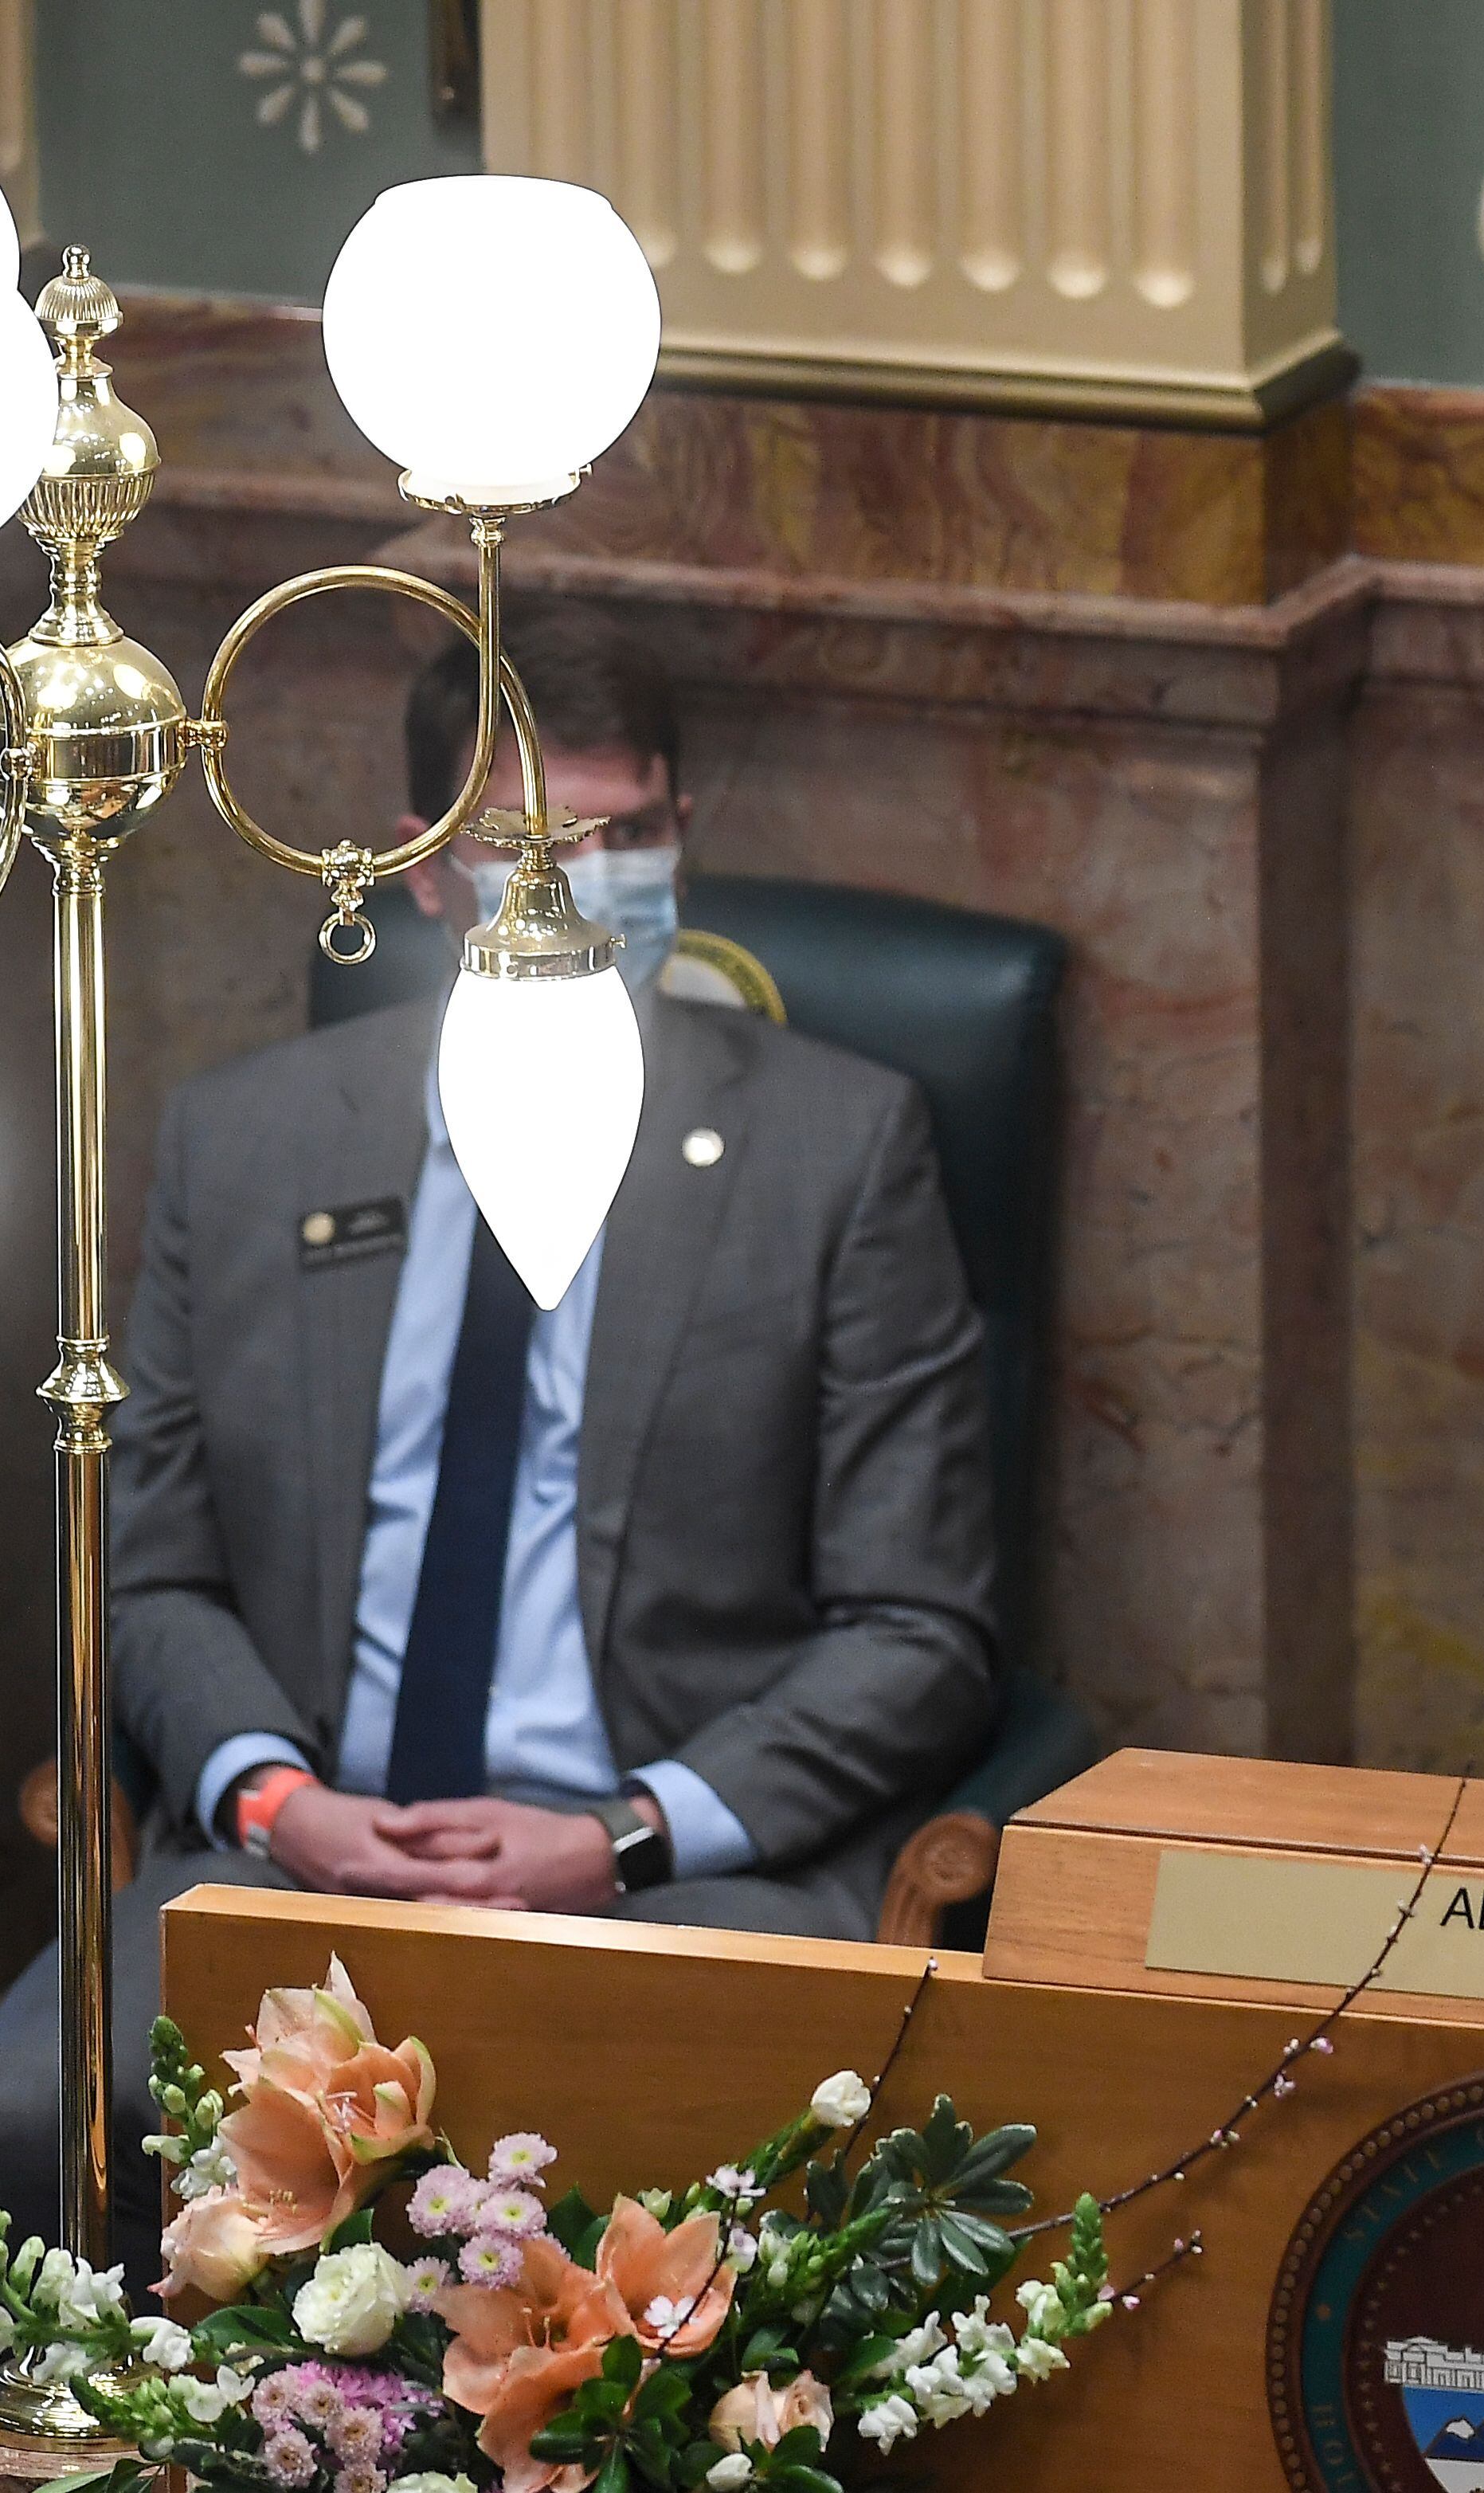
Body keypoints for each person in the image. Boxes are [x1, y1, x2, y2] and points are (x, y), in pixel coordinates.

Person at [0, 606, 1000, 2281]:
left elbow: (923, 1630)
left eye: (624, 834)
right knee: (44, 2095)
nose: (581, 876)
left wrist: (620, 1830)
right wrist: (273, 1796)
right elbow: (150, 1565)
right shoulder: (246, 1144)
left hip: (665, 1879)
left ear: (684, 835)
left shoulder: (835, 1151)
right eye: (527, 840)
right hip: (303, 1862)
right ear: (419, 867)